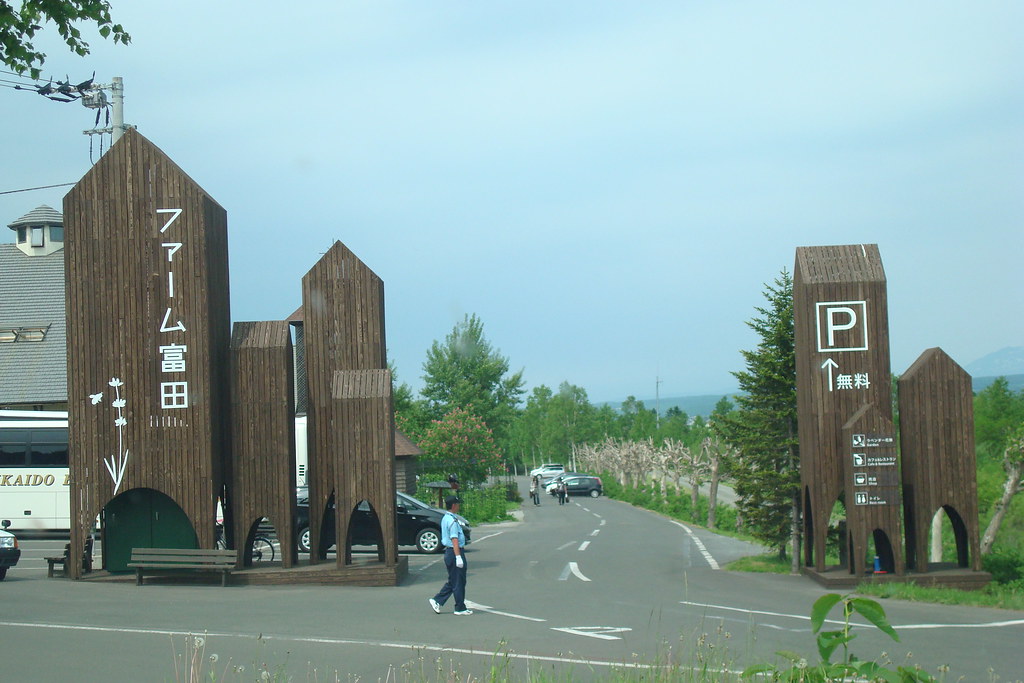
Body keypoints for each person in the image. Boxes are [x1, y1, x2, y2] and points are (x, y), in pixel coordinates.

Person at [428, 496, 472, 616]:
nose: (459, 506)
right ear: (453, 505)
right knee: (458, 581)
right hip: (454, 552)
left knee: (455, 580)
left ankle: (438, 600)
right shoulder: (452, 520)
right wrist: (458, 556)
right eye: (458, 504)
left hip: (450, 552)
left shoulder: (446, 518)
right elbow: (454, 539)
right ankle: (459, 608)